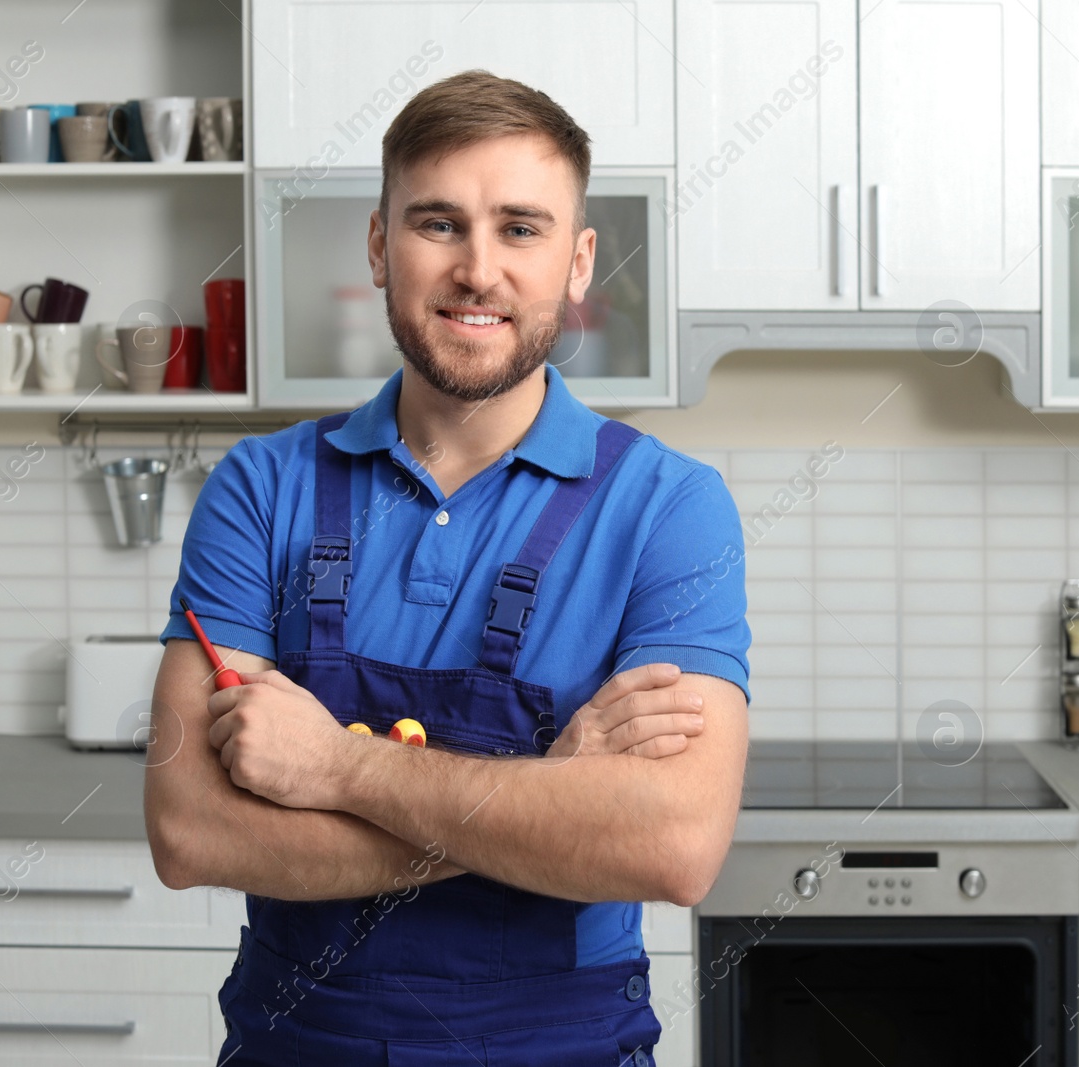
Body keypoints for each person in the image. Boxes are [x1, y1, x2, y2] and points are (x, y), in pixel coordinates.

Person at [144, 69, 751, 1066]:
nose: (478, 270)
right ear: (380, 247)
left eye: (521, 228)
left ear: (576, 260)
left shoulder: (669, 508)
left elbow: (671, 845)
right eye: (437, 224)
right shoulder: (259, 489)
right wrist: (547, 798)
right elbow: (191, 833)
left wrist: (335, 767)